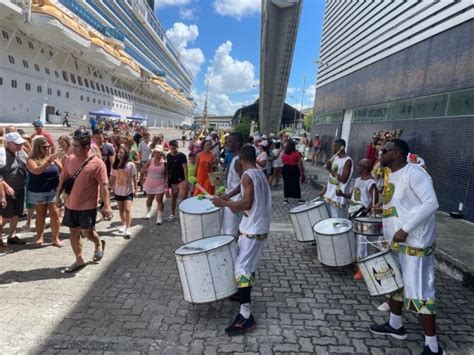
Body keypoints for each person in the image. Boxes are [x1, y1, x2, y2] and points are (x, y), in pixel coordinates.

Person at [368, 139, 443, 355]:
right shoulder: (392, 173)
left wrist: (406, 229)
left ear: (398, 154)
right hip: (397, 241)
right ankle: (395, 325)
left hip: (415, 243)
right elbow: (402, 204)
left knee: (420, 292)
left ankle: (433, 346)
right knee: (395, 284)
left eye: (385, 151)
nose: (380, 153)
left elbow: (431, 203)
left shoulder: (415, 173)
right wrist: (383, 210)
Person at [212, 145, 272, 335]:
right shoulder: (258, 172)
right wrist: (228, 195)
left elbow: (246, 203)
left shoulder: (248, 175)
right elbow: (242, 187)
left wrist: (224, 203)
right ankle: (241, 293)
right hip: (257, 226)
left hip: (253, 229)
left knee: (242, 268)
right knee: (246, 266)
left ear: (240, 161)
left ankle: (245, 316)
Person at [56, 129, 111, 273]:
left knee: (87, 232)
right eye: (72, 145)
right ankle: (79, 259)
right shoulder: (70, 159)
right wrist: (57, 196)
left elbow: (104, 186)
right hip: (70, 204)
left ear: (87, 147)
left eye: (76, 146)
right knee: (73, 233)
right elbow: (63, 178)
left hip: (88, 205)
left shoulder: (98, 164)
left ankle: (98, 243)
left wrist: (107, 206)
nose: (72, 149)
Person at [336, 158, 377, 280]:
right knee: (353, 240)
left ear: (364, 167)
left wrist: (366, 212)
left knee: (362, 242)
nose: (357, 167)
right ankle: (354, 263)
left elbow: (374, 201)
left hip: (362, 216)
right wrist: (342, 194)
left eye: (359, 165)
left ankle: (362, 269)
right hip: (352, 213)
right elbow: (353, 195)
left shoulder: (371, 183)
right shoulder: (358, 180)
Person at [26, 136, 63, 247]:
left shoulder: (53, 158)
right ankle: (39, 237)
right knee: (40, 215)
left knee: (55, 214)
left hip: (53, 191)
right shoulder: (31, 159)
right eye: (44, 147)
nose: (47, 149)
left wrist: (62, 161)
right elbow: (36, 171)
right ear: (37, 148)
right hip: (38, 192)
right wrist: (48, 162)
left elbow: (63, 170)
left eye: (49, 146)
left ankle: (55, 238)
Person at [0, 132, 28, 248]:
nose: (20, 146)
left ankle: (11, 236)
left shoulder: (20, 152)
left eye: (20, 143)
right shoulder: (2, 155)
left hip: (19, 188)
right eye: (17, 144)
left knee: (16, 214)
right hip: (6, 191)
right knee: (5, 217)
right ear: (8, 143)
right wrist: (6, 187)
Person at [319, 139, 353, 218]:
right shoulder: (336, 158)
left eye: (335, 146)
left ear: (341, 147)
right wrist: (324, 189)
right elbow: (331, 176)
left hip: (338, 198)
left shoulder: (347, 161)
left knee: (336, 224)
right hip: (329, 195)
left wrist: (329, 169)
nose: (332, 148)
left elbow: (344, 179)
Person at [110, 145, 137, 238]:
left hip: (128, 191)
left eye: (122, 152)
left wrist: (136, 189)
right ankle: (123, 224)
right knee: (121, 209)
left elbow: (134, 177)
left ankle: (128, 228)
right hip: (118, 191)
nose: (120, 154)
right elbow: (112, 178)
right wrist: (109, 187)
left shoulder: (131, 165)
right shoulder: (115, 165)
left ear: (126, 154)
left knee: (128, 209)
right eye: (118, 152)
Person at [220, 132, 244, 236]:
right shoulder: (234, 158)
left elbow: (244, 184)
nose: (227, 143)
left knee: (231, 234)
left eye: (229, 141)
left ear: (237, 143)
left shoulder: (239, 161)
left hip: (235, 202)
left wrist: (227, 195)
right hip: (230, 200)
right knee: (227, 232)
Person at [142, 145, 167, 224]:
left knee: (159, 200)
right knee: (149, 199)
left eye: (158, 152)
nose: (156, 154)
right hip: (150, 183)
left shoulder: (165, 163)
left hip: (160, 183)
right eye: (155, 152)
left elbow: (167, 174)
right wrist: (144, 173)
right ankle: (148, 212)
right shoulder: (150, 161)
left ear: (162, 154)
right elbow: (143, 170)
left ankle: (159, 217)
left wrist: (166, 183)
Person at [166, 140, 188, 221]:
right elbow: (168, 169)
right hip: (173, 180)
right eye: (170, 148)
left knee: (183, 198)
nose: (172, 150)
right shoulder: (168, 156)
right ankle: (172, 214)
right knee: (173, 198)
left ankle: (184, 214)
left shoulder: (182, 156)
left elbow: (185, 168)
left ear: (177, 147)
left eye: (173, 148)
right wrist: (167, 180)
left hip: (181, 179)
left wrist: (186, 181)